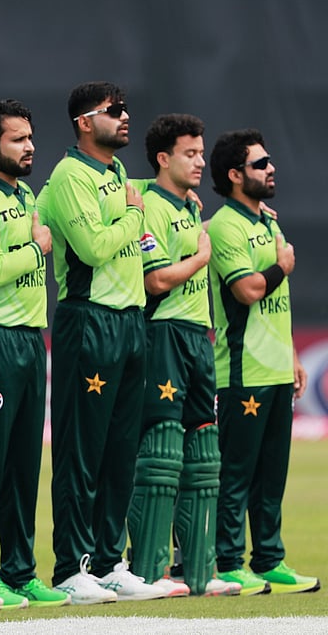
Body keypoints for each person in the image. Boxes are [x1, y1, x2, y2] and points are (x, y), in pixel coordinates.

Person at [36, 81, 164, 604]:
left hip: (130, 322)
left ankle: (110, 561)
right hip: (89, 321)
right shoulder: (71, 175)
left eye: (126, 108)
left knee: (120, 452)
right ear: (85, 122)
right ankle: (71, 565)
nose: (126, 116)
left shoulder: (115, 173)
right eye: (114, 111)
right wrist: (134, 215)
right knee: (81, 451)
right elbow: (90, 249)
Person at [124, 114, 245, 599]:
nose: (199, 162)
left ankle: (199, 570)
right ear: (162, 158)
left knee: (203, 455)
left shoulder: (189, 208)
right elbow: (154, 281)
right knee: (161, 454)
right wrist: (200, 258)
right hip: (164, 335)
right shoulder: (150, 204)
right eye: (189, 154)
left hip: (197, 337)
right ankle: (151, 569)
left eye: (200, 153)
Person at [0, 99, 69, 608]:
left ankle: (21, 570)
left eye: (30, 138)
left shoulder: (26, 194)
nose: (29, 147)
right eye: (17, 139)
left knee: (26, 464)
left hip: (32, 337)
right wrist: (37, 248)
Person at [207, 129, 320, 595]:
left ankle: (270, 558)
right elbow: (249, 290)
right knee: (237, 474)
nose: (271, 168)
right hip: (241, 372)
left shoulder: (268, 224)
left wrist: (292, 353)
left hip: (274, 368)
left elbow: (278, 303)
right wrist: (282, 268)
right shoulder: (225, 226)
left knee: (272, 474)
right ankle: (229, 561)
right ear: (235, 175)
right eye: (260, 163)